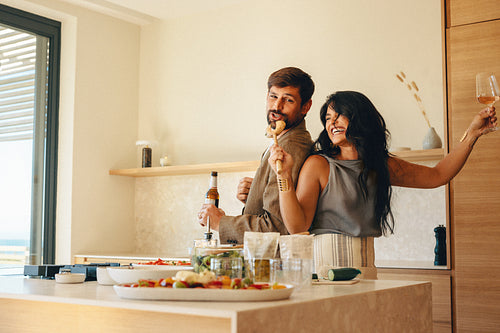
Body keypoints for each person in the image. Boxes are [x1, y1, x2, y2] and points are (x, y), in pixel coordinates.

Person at [268, 90, 497, 278]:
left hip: (367, 274)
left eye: (340, 115)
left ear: (359, 118)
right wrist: (284, 177)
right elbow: (298, 227)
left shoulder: (379, 165)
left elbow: (437, 175)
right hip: (326, 277)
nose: (332, 123)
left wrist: (472, 134)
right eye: (328, 118)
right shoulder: (318, 164)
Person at [197, 67, 315, 244]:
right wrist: (256, 195)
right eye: (273, 96)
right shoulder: (281, 139)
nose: (276, 106)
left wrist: (221, 223)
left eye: (288, 100)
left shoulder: (290, 145)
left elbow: (276, 228)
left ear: (305, 106)